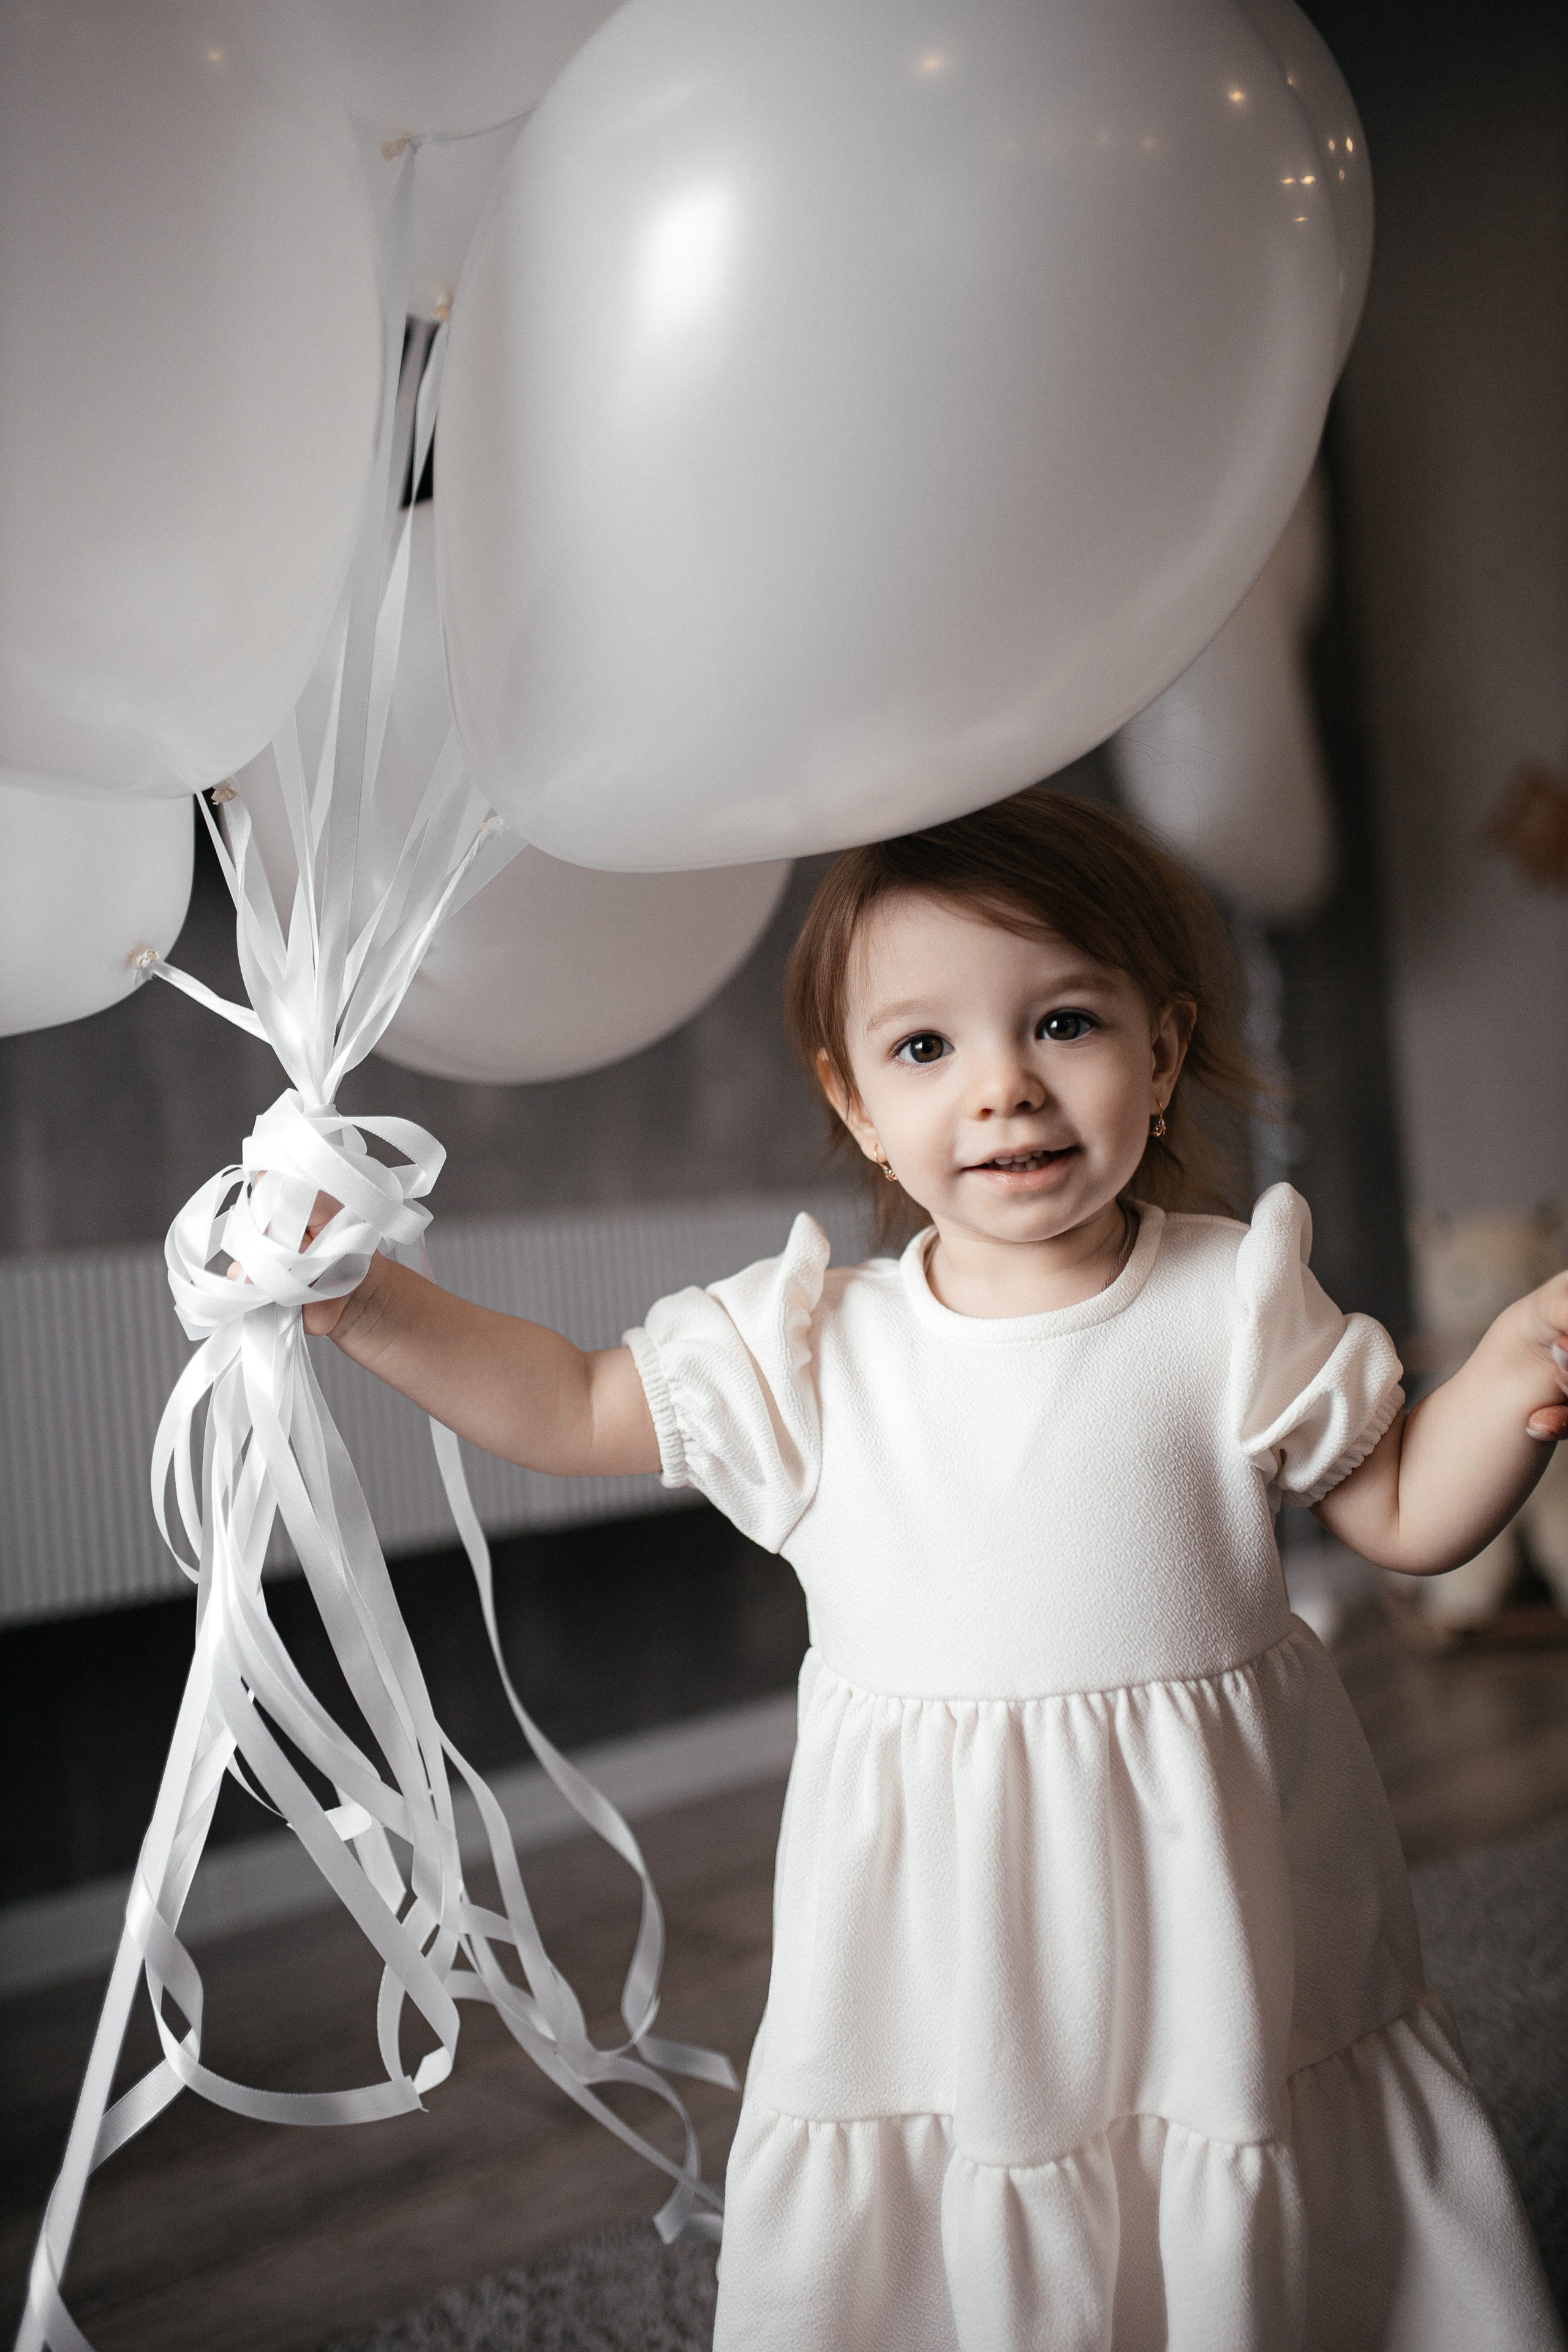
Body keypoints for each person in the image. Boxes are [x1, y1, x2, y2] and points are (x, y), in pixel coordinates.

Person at [304, 789, 1567, 2350]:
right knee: (971, 2160)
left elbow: (1399, 1515)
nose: (1003, 1091)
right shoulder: (817, 1349)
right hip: (945, 1911)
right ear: (851, 1101)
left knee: (1227, 2128)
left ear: (1160, 1052)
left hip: (1209, 1887)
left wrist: (1519, 1365)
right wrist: (365, 1300)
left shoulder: (1227, 1298)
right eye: (926, 1049)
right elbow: (566, 1403)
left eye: (1062, 1024)